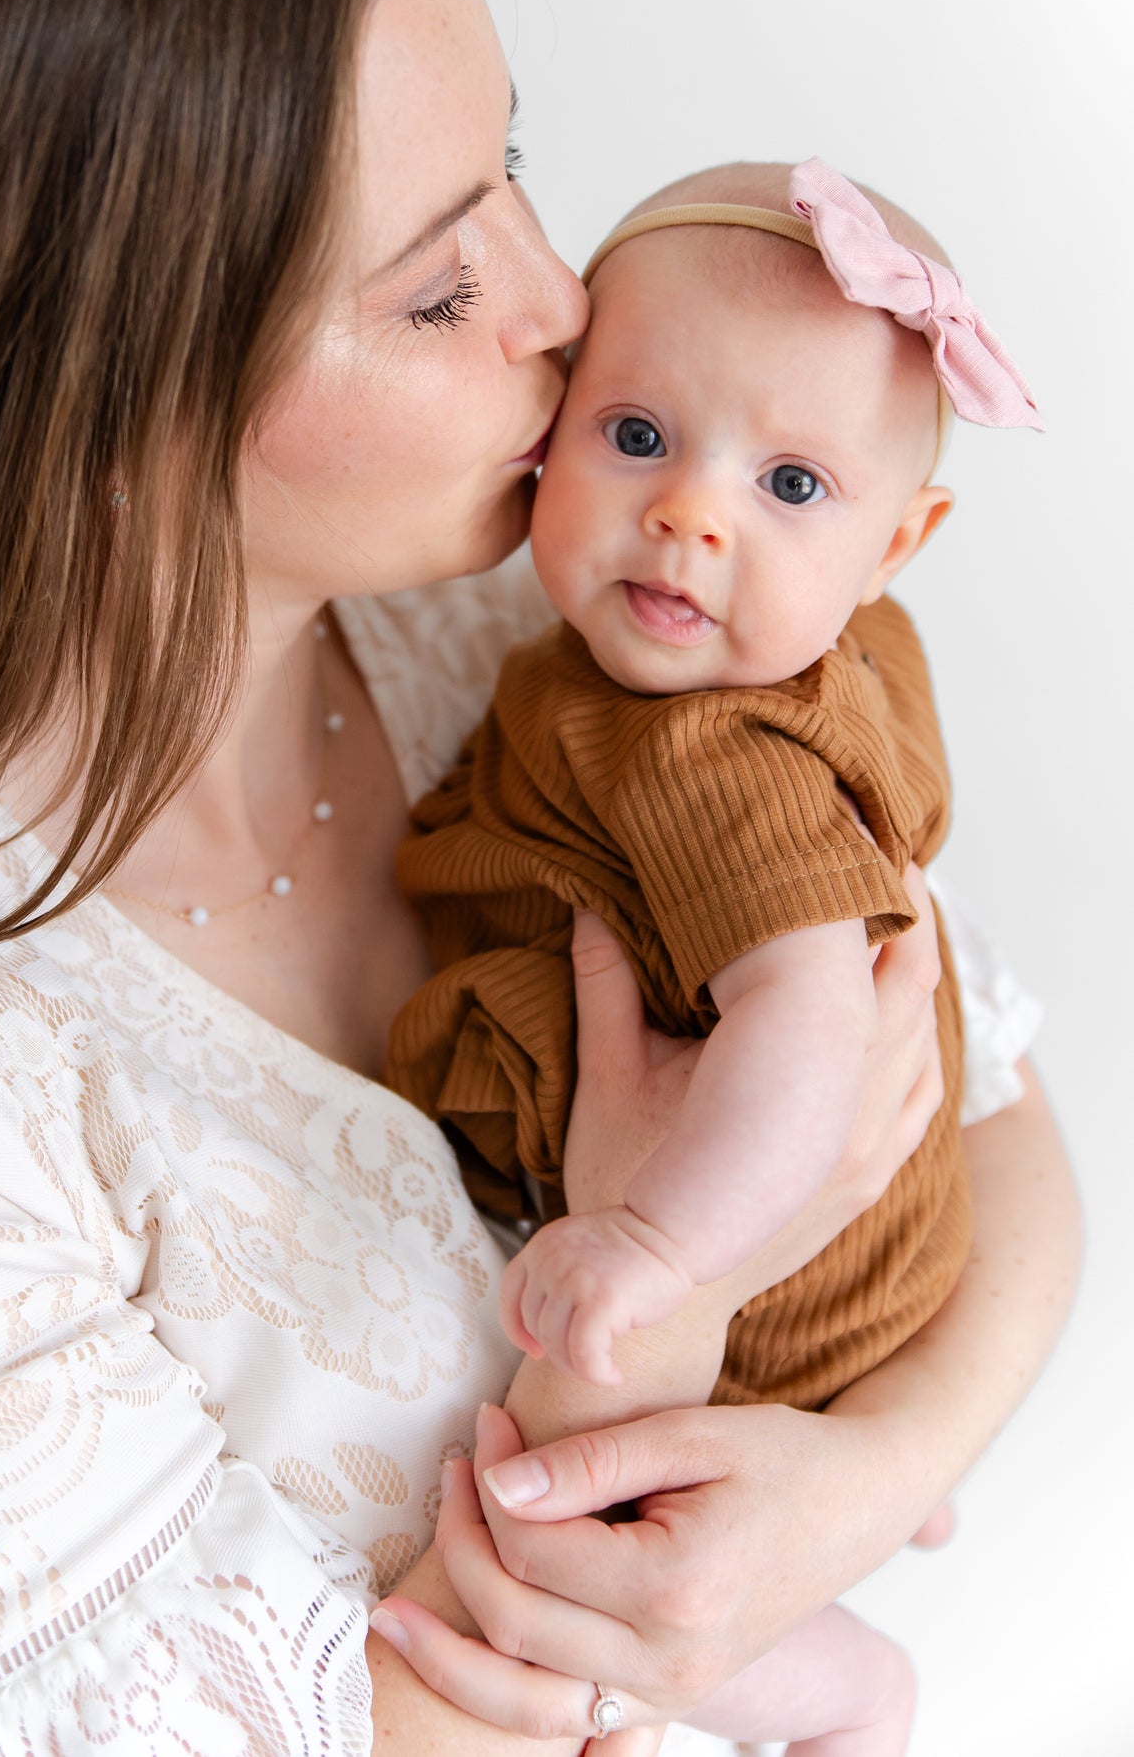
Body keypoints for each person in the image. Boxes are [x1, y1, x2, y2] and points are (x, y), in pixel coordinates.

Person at [0, 0, 1077, 1757]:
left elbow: (987, 1104)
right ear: (107, 388)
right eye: (439, 286)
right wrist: (670, 1303)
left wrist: (862, 1485)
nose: (564, 302)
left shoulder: (544, 620)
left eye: (510, 168)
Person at [386, 155, 1042, 1752]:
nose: (690, 514)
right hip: (848, 1269)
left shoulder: (713, 759)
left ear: (896, 544)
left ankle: (846, 1689)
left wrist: (661, 1248)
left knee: (584, 1537)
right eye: (636, 438)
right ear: (550, 430)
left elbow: (808, 1024)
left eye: (791, 485)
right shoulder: (817, 654)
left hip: (769, 1297)